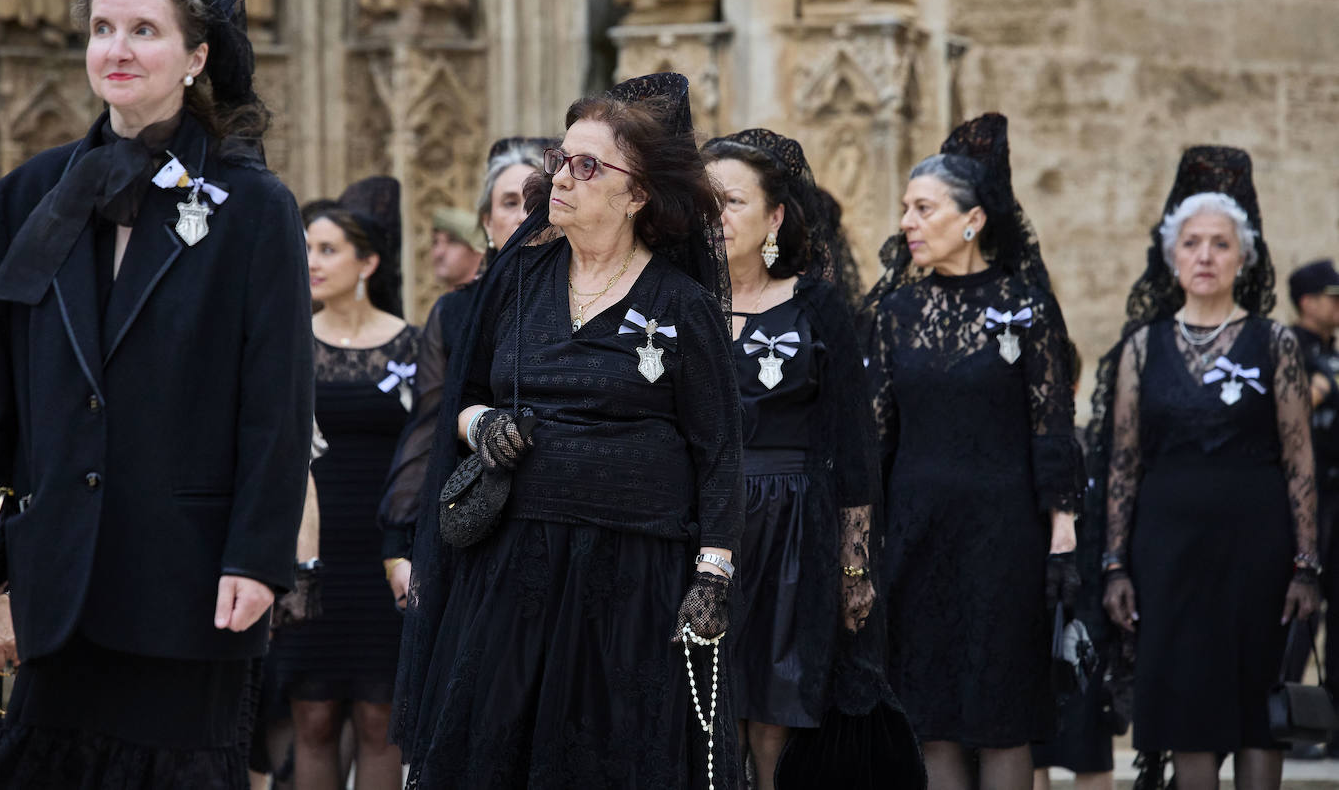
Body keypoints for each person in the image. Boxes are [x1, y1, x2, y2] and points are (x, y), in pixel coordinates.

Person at [0, 0, 312, 787]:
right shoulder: (29, 195)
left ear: (195, 57)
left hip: (190, 582)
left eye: (144, 31)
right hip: (60, 577)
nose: (116, 50)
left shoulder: (253, 208)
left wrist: (257, 558)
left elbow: (276, 402)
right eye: (102, 28)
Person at [388, 73, 743, 788]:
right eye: (561, 159)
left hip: (632, 575)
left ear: (637, 193)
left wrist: (713, 574)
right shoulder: (521, 278)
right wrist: (482, 422)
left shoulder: (682, 304)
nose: (563, 178)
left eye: (589, 166)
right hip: (515, 565)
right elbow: (469, 394)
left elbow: (719, 451)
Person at [859, 113, 1082, 790]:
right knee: (931, 715)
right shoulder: (893, 315)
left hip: (1005, 539)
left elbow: (1052, 430)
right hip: (919, 533)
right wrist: (863, 544)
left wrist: (1063, 538)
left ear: (973, 220)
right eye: (905, 209)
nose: (908, 222)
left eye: (924, 208)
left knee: (1001, 714)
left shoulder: (1027, 307)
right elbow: (875, 441)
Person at [1093, 147, 1319, 790]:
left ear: (1241, 257)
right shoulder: (1142, 346)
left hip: (1257, 547)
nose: (1205, 255)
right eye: (1191, 242)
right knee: (1186, 702)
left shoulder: (1274, 343)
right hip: (1168, 550)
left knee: (1257, 705)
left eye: (1220, 244)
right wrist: (1114, 564)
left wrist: (1306, 565)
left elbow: (1300, 457)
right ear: (1172, 255)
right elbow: (1124, 464)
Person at [700, 128, 911, 787]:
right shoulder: (678, 304)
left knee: (775, 721)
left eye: (732, 201)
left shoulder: (815, 305)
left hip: (793, 533)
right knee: (706, 718)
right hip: (703, 530)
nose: (716, 217)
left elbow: (853, 445)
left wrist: (854, 568)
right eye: (705, 202)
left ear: (776, 216)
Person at [271, 177, 422, 790]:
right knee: (312, 716)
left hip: (385, 550)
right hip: (313, 546)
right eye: (306, 248)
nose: (312, 261)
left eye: (328, 249)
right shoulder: (288, 345)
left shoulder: (412, 343)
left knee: (381, 715)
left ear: (369, 262)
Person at [378, 136, 551, 603]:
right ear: (486, 223)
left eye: (537, 200)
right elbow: (431, 420)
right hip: (477, 517)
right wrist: (399, 543)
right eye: (510, 202)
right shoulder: (457, 311)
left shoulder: (590, 302)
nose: (523, 213)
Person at [1032, 344, 1116, 790]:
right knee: (1028, 748)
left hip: (1087, 620)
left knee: (1090, 747)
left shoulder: (1097, 452)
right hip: (1029, 615)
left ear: (1074, 387)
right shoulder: (1010, 455)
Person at [1280, 258, 1339, 755]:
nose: (1337, 306)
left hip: (1336, 496)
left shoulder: (1329, 351)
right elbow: (1290, 413)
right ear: (1307, 302)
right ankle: (1292, 720)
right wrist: (1326, 386)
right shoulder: (1290, 348)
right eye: (1331, 297)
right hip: (1308, 499)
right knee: (1303, 606)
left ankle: (1333, 727)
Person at [429, 206, 485, 289]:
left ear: (478, 250)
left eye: (452, 241)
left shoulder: (492, 299)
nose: (439, 253)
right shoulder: (446, 301)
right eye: (435, 242)